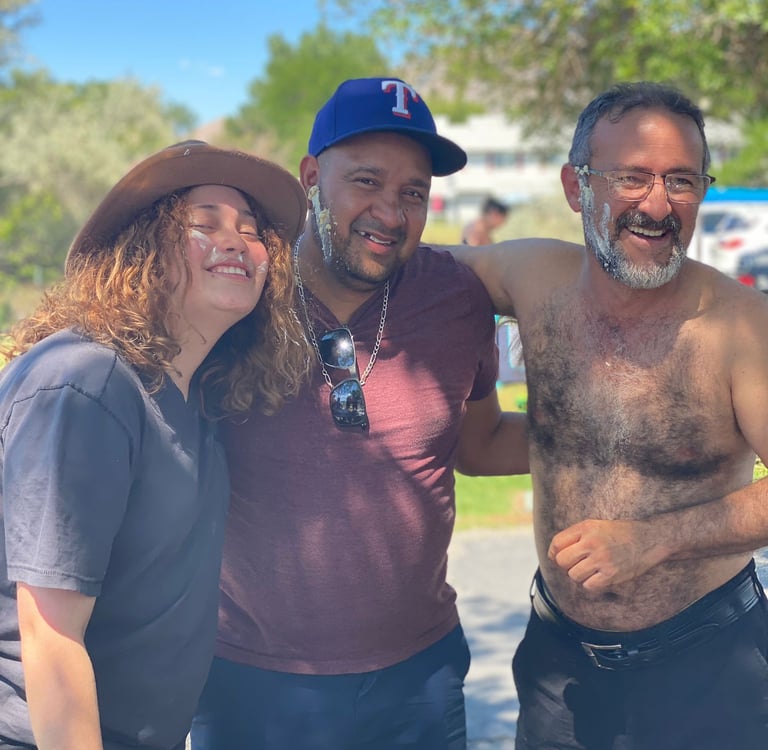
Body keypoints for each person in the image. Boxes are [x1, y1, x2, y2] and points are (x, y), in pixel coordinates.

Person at [191, 77, 530, 749]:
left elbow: (480, 442)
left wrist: (614, 437)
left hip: (420, 682)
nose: (392, 211)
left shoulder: (457, 299)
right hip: (252, 683)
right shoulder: (240, 295)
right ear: (312, 176)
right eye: (367, 182)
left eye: (413, 192)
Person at [449, 82, 768, 749]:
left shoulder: (740, 328)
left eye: (681, 180)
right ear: (576, 186)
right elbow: (405, 272)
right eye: (631, 177)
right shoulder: (531, 276)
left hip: (711, 671)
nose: (657, 204)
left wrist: (654, 538)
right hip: (559, 670)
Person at [0, 140, 310, 750]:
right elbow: (49, 635)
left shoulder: (193, 394)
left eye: (252, 232)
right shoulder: (89, 383)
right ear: (145, 250)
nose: (237, 241)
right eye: (204, 224)